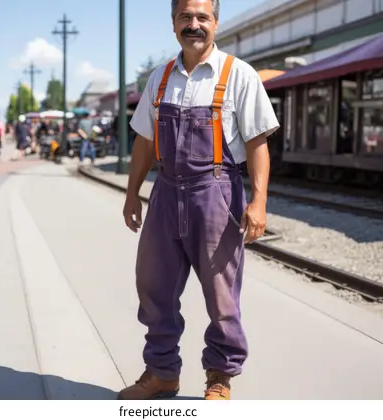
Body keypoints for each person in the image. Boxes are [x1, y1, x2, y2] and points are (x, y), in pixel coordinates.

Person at [119, 0, 279, 401]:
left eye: (202, 17)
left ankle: (219, 378)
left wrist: (258, 202)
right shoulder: (160, 78)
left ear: (216, 22)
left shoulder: (239, 75)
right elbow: (144, 141)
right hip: (166, 191)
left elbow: (258, 142)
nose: (194, 25)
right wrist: (132, 194)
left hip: (216, 194)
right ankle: (162, 373)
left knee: (222, 294)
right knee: (153, 288)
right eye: (185, 17)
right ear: (173, 23)